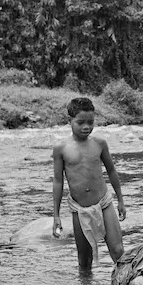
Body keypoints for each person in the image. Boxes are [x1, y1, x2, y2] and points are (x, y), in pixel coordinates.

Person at [52, 97, 127, 272]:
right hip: (79, 208)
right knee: (84, 262)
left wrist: (121, 201)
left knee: (118, 251)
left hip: (104, 203)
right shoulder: (61, 148)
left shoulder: (99, 143)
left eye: (91, 122)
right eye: (80, 122)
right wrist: (56, 215)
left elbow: (112, 171)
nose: (86, 127)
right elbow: (58, 181)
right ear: (69, 121)